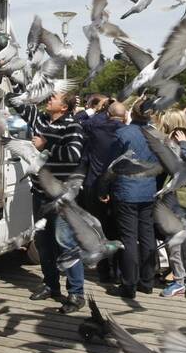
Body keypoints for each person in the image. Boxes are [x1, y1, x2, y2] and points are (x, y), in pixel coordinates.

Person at [19, 92, 87, 313]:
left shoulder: (72, 126)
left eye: (54, 98)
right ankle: (50, 285)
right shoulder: (41, 120)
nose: (49, 99)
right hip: (39, 192)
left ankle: (76, 293)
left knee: (66, 243)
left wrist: (44, 146)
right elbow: (15, 102)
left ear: (64, 108)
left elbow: (73, 155)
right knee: (43, 242)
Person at [102, 102, 159, 299]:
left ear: (132, 113)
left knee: (128, 238)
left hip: (127, 190)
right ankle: (147, 281)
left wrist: (104, 187)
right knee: (146, 235)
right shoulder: (156, 135)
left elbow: (111, 165)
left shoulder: (123, 134)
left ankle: (129, 284)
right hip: (148, 188)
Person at [81, 100, 126, 282]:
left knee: (99, 231)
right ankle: (119, 270)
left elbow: (81, 120)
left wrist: (100, 110)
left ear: (107, 114)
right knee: (118, 229)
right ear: (124, 117)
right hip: (118, 187)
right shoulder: (125, 132)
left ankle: (103, 271)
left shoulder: (96, 129)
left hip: (95, 184)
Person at [159, 110, 186, 299]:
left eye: (184, 138)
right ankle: (178, 280)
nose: (180, 142)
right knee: (173, 246)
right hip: (171, 207)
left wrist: (184, 143)